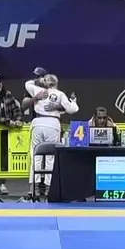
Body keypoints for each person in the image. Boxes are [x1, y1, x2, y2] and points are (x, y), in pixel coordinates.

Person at [25, 68, 78, 200]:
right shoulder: (60, 94)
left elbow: (27, 83)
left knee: (35, 155)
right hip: (53, 124)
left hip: (38, 122)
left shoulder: (38, 90)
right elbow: (72, 110)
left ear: (45, 81)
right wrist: (73, 101)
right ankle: (49, 188)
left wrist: (38, 84)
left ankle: (33, 188)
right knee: (50, 156)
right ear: (56, 83)